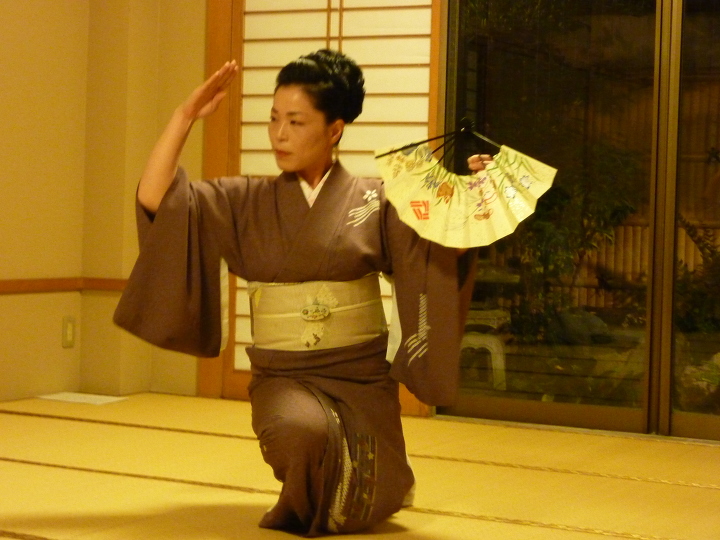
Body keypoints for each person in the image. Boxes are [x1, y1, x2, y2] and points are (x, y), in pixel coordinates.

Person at [114, 49, 485, 536]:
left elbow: (438, 252)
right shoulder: (245, 200)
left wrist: (478, 194)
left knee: (380, 490)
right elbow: (157, 200)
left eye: (295, 121)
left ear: (334, 130)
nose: (279, 134)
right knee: (300, 431)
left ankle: (383, 476)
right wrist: (184, 117)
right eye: (273, 119)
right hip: (283, 373)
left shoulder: (376, 198)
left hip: (359, 374)